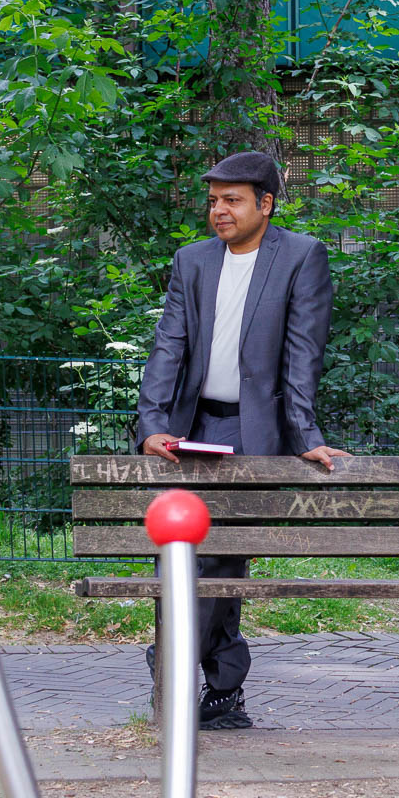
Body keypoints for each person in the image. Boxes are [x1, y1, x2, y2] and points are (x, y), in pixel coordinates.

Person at [132, 150, 351, 730]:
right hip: (191, 428)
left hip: (252, 432)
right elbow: (168, 348)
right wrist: (153, 425)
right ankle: (224, 693)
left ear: (265, 204)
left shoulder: (301, 256)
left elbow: (303, 354)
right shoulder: (193, 261)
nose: (219, 211)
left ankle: (174, 662)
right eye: (212, 201)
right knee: (186, 555)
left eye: (232, 200)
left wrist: (304, 435)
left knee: (221, 556)